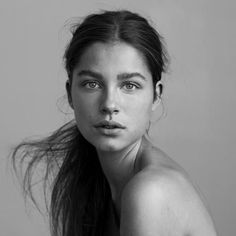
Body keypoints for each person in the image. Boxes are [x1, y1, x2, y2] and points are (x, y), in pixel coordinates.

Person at [11, 10, 217, 236]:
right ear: (70, 93)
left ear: (156, 96)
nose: (109, 104)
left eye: (130, 85)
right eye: (92, 84)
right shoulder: (94, 178)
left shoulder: (151, 192)